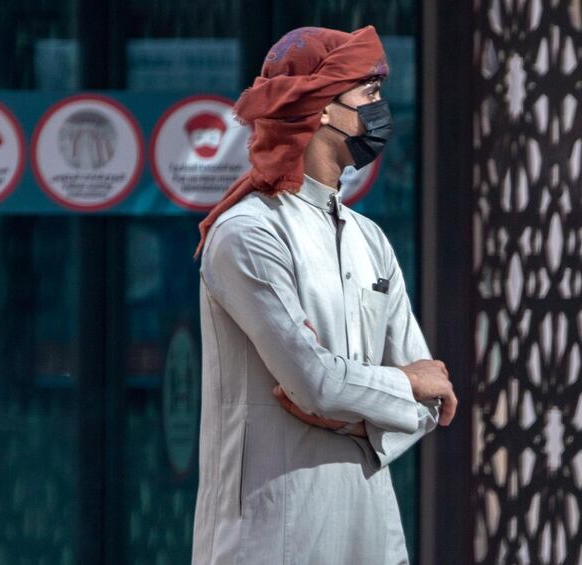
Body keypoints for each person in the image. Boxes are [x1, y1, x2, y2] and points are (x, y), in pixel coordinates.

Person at [191, 25, 458, 564]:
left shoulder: (370, 238)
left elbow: (431, 400)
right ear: (322, 108)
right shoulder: (247, 234)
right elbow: (314, 380)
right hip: (273, 535)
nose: (382, 108)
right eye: (370, 92)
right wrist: (398, 386)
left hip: (371, 534)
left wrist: (349, 409)